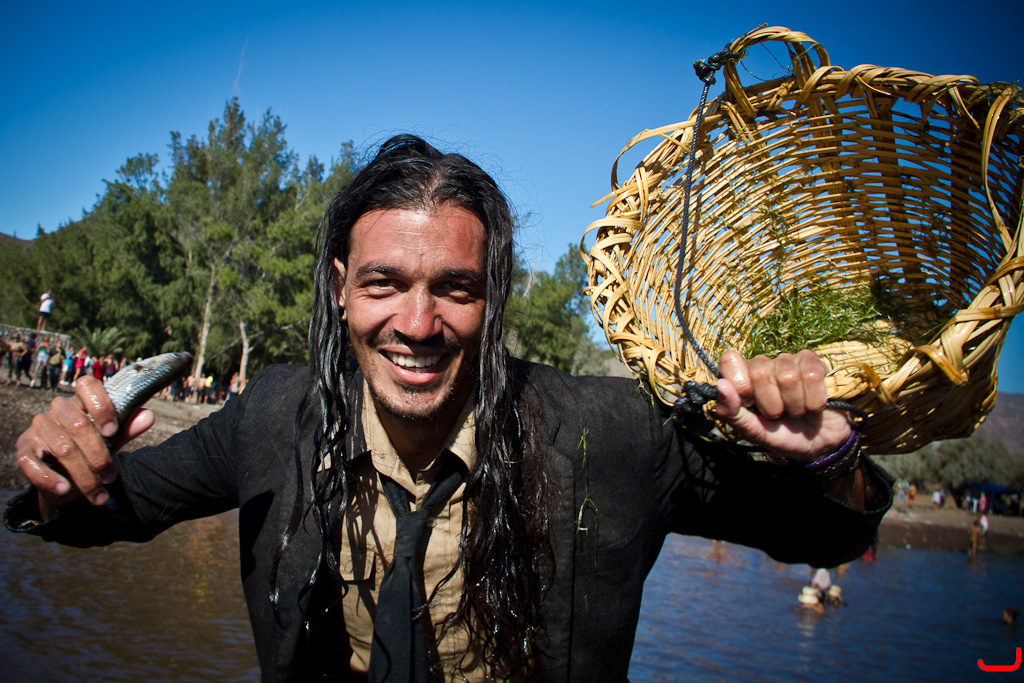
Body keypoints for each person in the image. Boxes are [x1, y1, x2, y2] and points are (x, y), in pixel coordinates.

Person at [7, 135, 892, 682]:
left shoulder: (613, 432)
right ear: (341, 288)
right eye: (384, 283)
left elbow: (825, 535)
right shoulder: (275, 414)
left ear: (493, 295)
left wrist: (830, 456)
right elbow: (105, 509)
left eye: (455, 289)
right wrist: (58, 466)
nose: (417, 323)